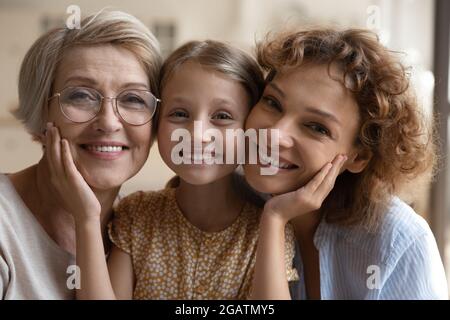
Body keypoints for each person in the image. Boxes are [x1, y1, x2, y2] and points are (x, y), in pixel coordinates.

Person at [49, 40, 298, 299]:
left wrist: (275, 219)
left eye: (222, 117)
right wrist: (86, 218)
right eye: (179, 114)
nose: (198, 135)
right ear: (156, 124)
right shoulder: (137, 216)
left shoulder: (267, 231)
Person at [244, 28, 448, 299]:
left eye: (316, 127)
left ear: (359, 157)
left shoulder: (398, 241)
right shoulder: (236, 202)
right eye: (272, 102)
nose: (275, 134)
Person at [0, 10, 162, 299]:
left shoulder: (142, 233)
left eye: (133, 99)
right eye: (81, 96)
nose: (109, 122)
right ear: (41, 113)